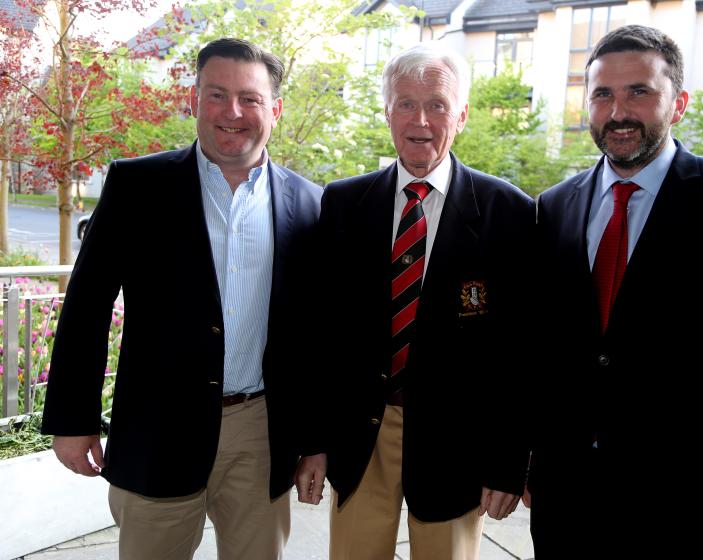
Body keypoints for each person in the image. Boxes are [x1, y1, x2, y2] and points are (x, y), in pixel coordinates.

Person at [41, 38, 322, 560]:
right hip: (156, 428)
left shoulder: (309, 202)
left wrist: (316, 440)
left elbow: (316, 334)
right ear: (193, 100)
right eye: (216, 95)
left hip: (261, 434)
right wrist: (71, 420)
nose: (232, 112)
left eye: (250, 98)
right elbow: (86, 308)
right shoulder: (136, 186)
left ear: (275, 110)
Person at [528, 25, 703, 559]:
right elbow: (545, 350)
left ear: (678, 104)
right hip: (567, 501)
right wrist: (534, 461)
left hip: (683, 505)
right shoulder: (555, 206)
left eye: (639, 92)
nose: (618, 111)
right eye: (603, 94)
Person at [294, 43, 534, 560]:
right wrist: (312, 441)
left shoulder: (510, 213)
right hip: (362, 435)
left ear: (462, 116)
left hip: (458, 445)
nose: (420, 120)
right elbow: (319, 335)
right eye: (405, 103)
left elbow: (520, 352)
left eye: (438, 105)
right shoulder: (343, 203)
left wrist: (508, 464)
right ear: (386, 113)